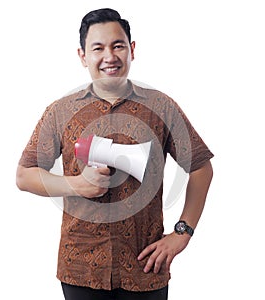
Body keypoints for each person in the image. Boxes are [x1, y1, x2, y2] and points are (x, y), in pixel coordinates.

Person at [16, 8, 214, 300]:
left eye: (117, 45)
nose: (109, 56)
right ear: (83, 56)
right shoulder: (60, 111)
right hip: (80, 269)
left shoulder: (162, 106)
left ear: (132, 50)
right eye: (98, 48)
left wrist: (181, 233)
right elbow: (24, 175)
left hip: (145, 268)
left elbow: (200, 167)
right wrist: (76, 184)